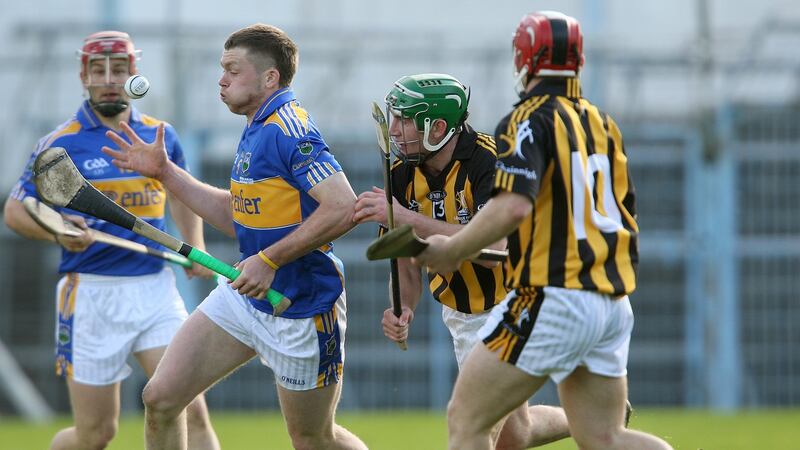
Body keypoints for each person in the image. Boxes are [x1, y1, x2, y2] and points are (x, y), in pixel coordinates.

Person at [412, 12, 674, 450]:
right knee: (606, 437)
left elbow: (513, 203)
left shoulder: (526, 119)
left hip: (554, 294)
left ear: (524, 61)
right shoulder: (603, 124)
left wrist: (454, 248)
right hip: (611, 301)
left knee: (467, 420)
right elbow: (624, 208)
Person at [101, 24, 367, 450]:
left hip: (302, 304)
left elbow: (342, 207)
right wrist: (166, 174)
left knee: (313, 438)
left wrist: (271, 260)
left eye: (233, 70)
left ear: (270, 78)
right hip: (246, 297)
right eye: (221, 69)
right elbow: (239, 215)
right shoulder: (256, 126)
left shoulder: (290, 129)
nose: (221, 80)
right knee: (161, 398)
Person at [3, 31, 219, 450]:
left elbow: (181, 194)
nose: (108, 79)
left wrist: (195, 244)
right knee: (96, 434)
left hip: (155, 289)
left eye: (118, 70)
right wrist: (58, 231)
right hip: (90, 295)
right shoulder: (60, 143)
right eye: (97, 70)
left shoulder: (160, 136)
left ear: (133, 75)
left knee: (188, 409)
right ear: (83, 76)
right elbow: (15, 211)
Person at [353, 73, 572, 449]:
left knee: (472, 420)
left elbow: (494, 251)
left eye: (405, 119)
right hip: (462, 314)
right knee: (515, 433)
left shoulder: (492, 161)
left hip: (515, 302)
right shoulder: (402, 172)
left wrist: (405, 217)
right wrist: (403, 306)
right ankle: (590, 419)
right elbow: (405, 260)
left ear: (438, 127)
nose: (394, 129)